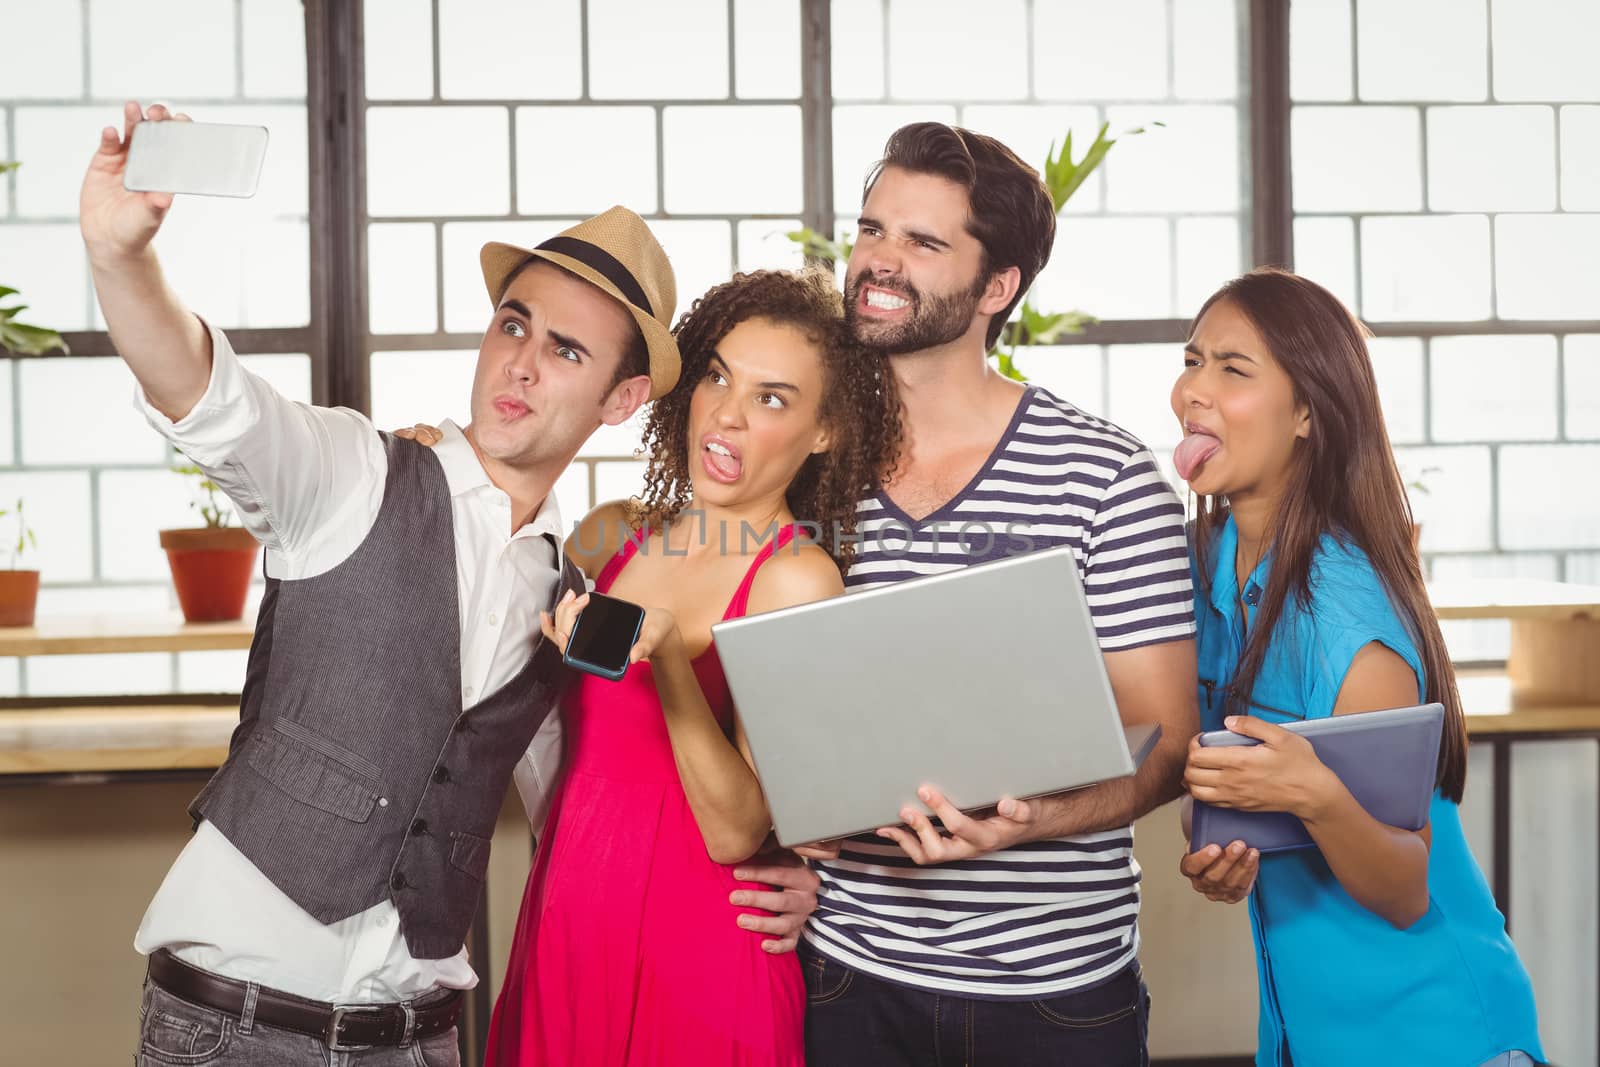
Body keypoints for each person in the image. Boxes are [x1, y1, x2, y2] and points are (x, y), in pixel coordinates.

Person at [82, 101, 818, 1066]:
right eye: (515, 323)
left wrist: (801, 879)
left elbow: (592, 799)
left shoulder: (574, 589)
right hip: (236, 1025)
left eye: (566, 350)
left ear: (622, 399)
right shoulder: (354, 473)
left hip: (422, 1040)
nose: (520, 361)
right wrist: (120, 258)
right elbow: (209, 400)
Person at [797, 122, 1200, 1065]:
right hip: (847, 975)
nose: (879, 261)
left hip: (1054, 998)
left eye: (923, 243)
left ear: (998, 287)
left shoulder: (1106, 476)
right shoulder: (811, 468)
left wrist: (1036, 820)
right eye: (871, 230)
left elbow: (1167, 734)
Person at [480, 268, 902, 1066]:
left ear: (826, 432)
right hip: (568, 925)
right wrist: (439, 452)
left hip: (701, 957)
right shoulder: (611, 537)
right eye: (717, 376)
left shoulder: (796, 577)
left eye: (772, 399)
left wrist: (671, 659)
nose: (728, 415)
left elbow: (738, 828)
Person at [1172, 268, 1545, 1067]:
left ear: (1308, 412)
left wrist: (1312, 794)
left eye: (1233, 369)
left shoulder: (1348, 613)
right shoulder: (1210, 563)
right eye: (1192, 359)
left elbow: (1404, 887)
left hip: (1436, 1033)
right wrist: (1217, 851)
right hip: (1306, 1034)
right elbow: (1217, 773)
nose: (1194, 391)